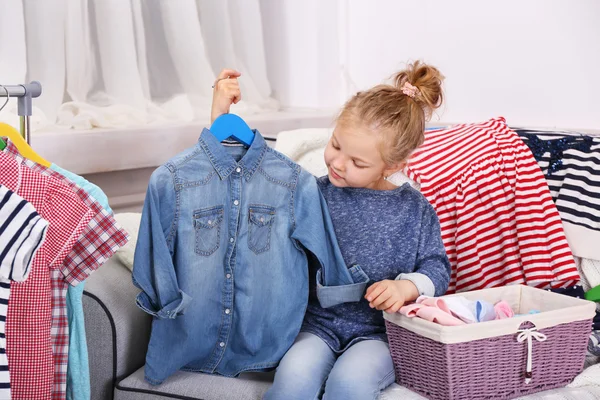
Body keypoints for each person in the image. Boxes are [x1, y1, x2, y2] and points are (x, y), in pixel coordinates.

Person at [211, 63, 451, 400]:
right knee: (293, 380)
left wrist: (408, 287)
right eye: (336, 145)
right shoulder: (310, 194)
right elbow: (248, 182)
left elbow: (437, 267)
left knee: (350, 385)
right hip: (316, 326)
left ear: (393, 166)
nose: (338, 163)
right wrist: (220, 112)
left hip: (380, 334)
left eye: (358, 162)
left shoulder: (415, 210)